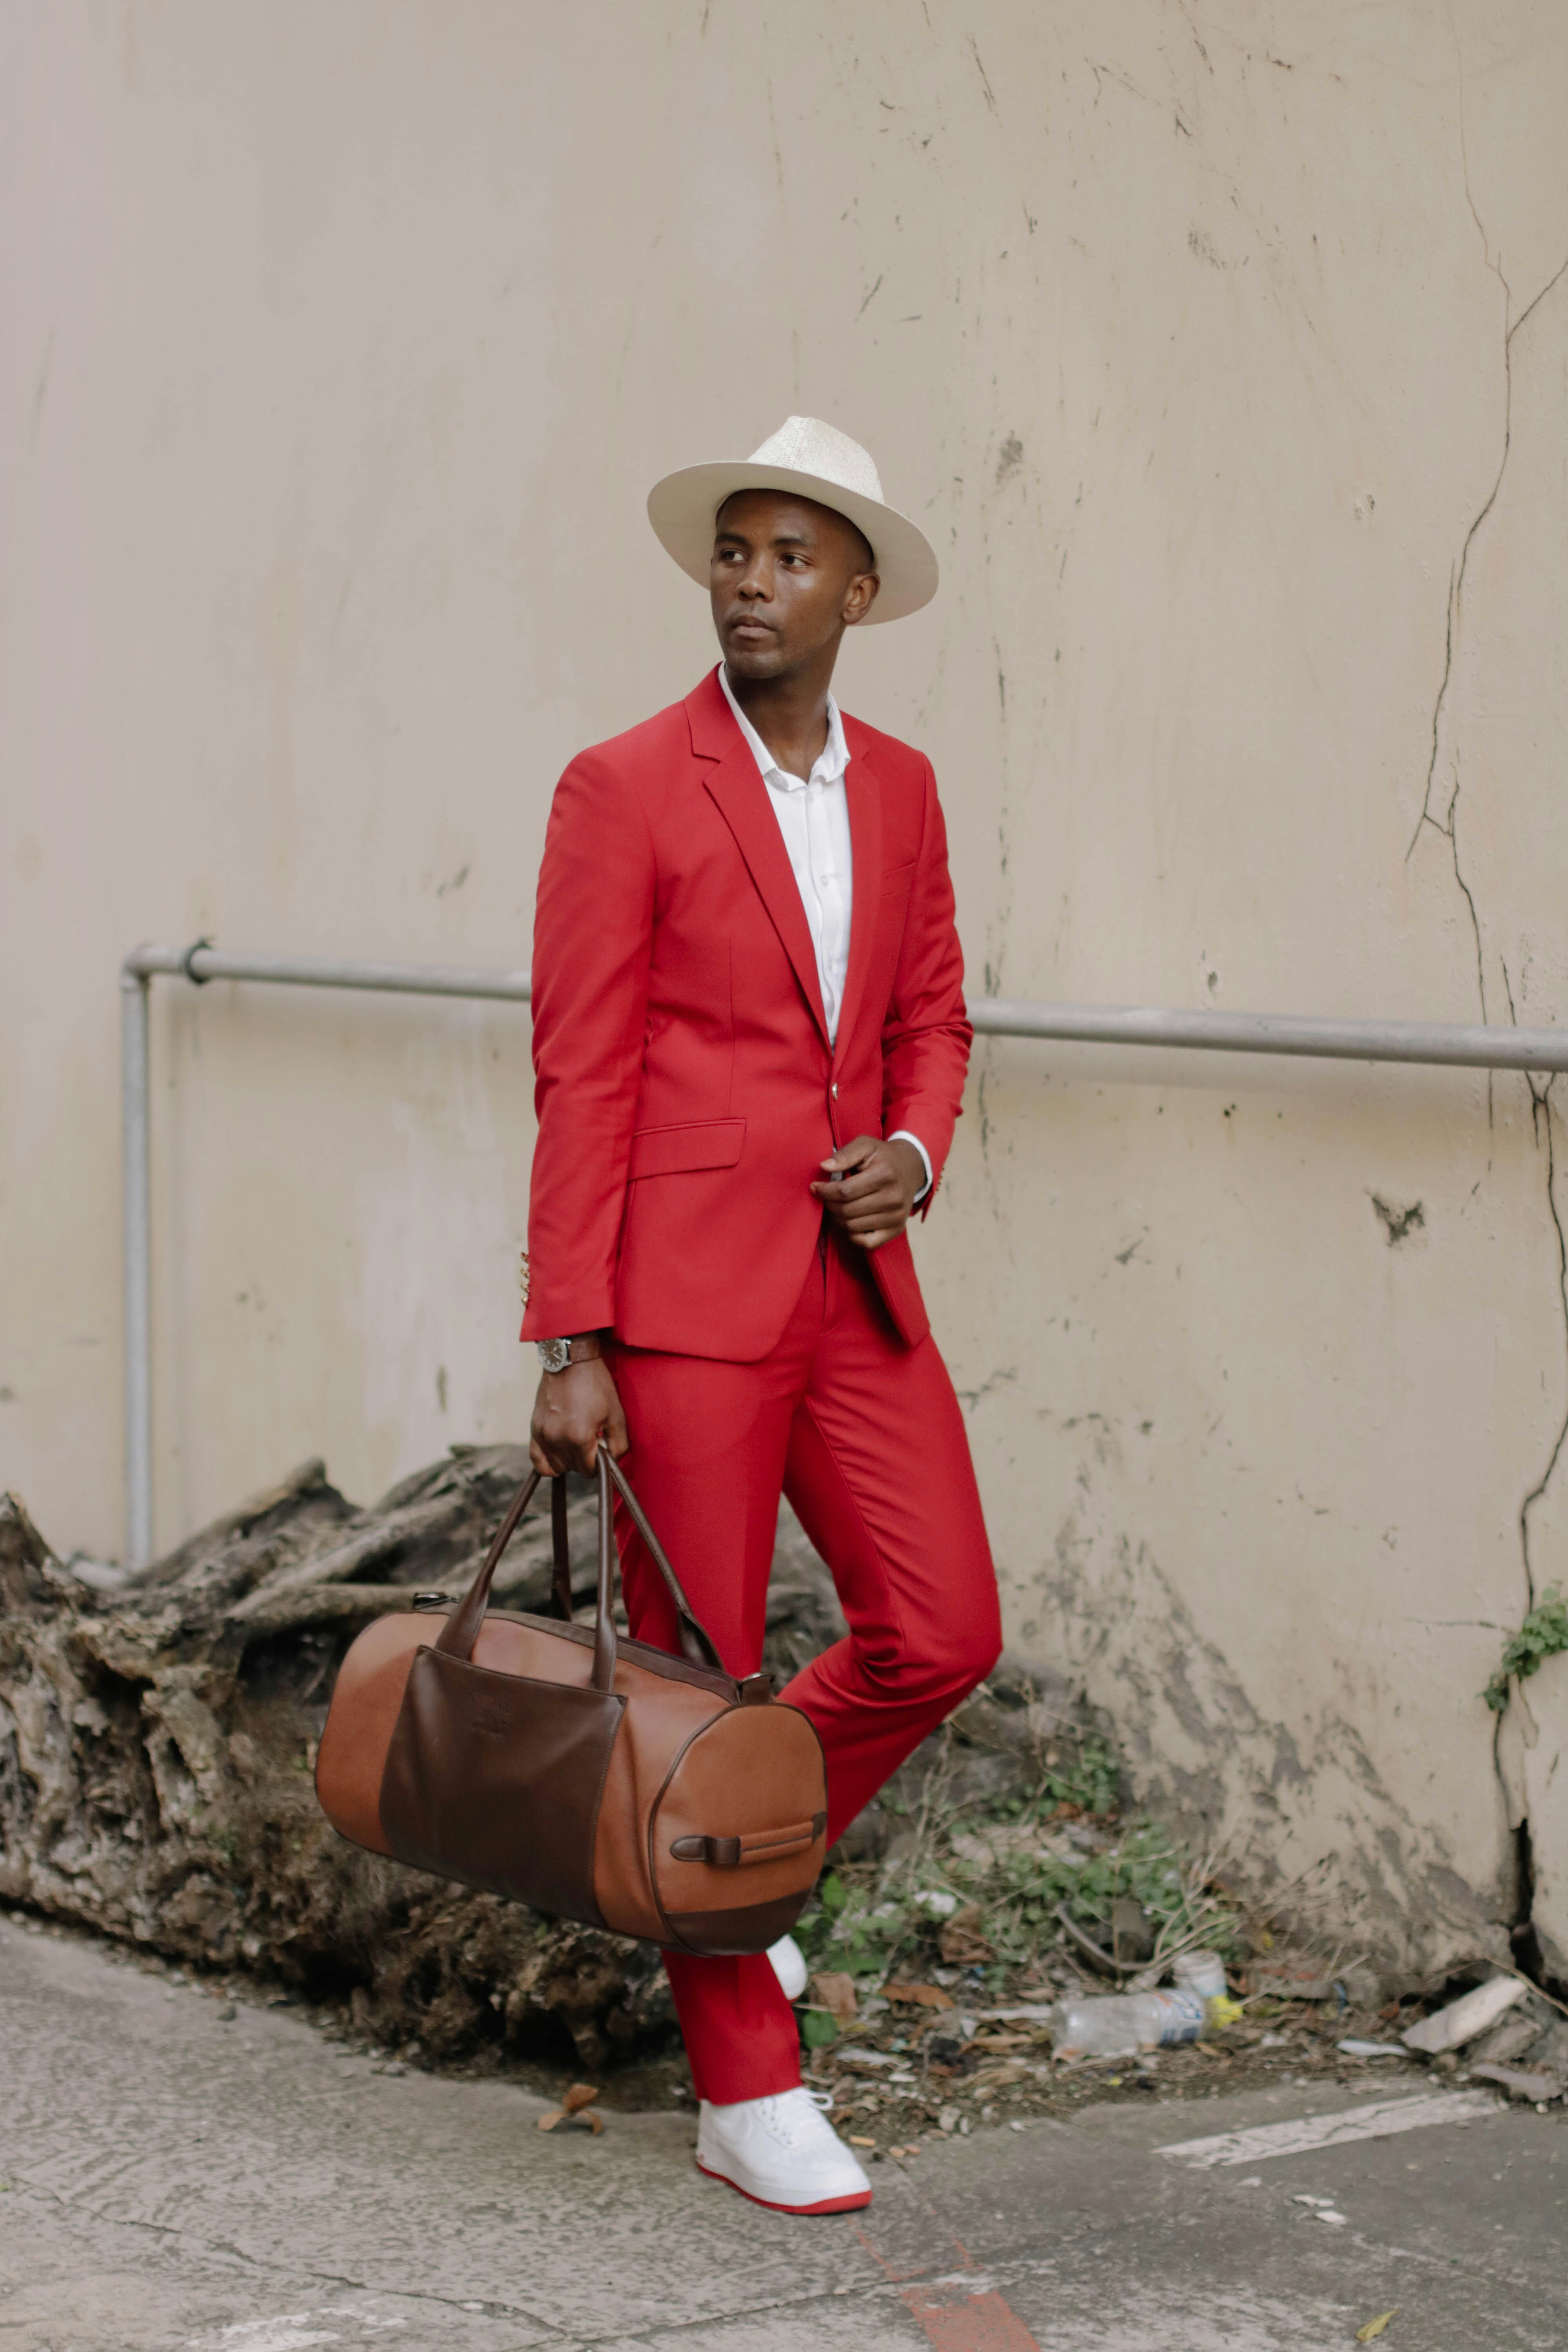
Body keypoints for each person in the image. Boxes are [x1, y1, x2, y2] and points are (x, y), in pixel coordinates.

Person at [521, 416, 1002, 2214]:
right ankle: (744, 2092)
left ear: (855, 594)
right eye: (733, 552)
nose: (749, 583)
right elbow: (580, 1072)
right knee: (689, 1688)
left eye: (790, 557)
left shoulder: (905, 789)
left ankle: (731, 1850)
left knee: (940, 1629)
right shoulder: (623, 785)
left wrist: (911, 1150)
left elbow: (934, 1013)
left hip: (853, 1290)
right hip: (679, 1308)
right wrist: (571, 1339)